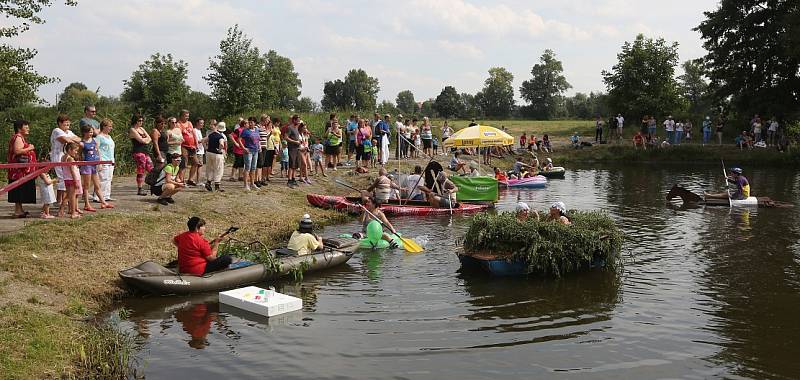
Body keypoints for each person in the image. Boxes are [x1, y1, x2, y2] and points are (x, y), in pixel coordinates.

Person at [7, 120, 37, 218]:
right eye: (26, 127)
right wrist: (30, 148)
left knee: (19, 191)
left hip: (21, 171)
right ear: (20, 128)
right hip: (19, 172)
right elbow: (17, 151)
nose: (28, 129)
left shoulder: (20, 138)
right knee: (19, 190)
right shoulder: (18, 137)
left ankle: (19, 210)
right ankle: (17, 211)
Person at [79, 124, 113, 211]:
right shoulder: (82, 143)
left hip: (94, 164)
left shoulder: (94, 140)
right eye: (89, 132)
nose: (91, 133)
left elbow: (98, 151)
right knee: (86, 186)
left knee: (97, 185)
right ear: (84, 132)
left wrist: (100, 162)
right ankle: (87, 204)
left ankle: (103, 202)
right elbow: (79, 154)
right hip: (86, 165)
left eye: (91, 132)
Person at [50, 114, 81, 207]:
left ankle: (61, 201)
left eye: (68, 121)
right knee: (62, 178)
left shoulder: (69, 132)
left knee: (65, 178)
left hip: (66, 157)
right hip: (58, 157)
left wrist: (70, 139)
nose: (68, 123)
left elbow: (79, 139)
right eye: (65, 122)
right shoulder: (56, 130)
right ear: (60, 123)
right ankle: (62, 202)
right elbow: (65, 140)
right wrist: (71, 139)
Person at [130, 114, 153, 196]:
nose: (141, 122)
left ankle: (151, 184)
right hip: (138, 151)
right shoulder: (132, 129)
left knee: (151, 167)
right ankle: (140, 188)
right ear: (135, 121)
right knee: (141, 170)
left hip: (145, 151)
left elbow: (149, 138)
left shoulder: (141, 129)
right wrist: (145, 140)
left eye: (142, 120)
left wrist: (145, 140)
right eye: (139, 120)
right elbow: (141, 140)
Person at [58, 142, 82, 218]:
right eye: (75, 150)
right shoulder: (70, 159)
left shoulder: (63, 157)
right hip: (72, 179)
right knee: (72, 197)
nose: (76, 152)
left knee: (68, 195)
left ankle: (61, 211)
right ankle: (73, 213)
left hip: (66, 179)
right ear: (69, 150)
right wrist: (75, 181)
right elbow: (72, 171)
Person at [95, 118, 116, 202]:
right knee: (103, 179)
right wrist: (99, 162)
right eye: (109, 126)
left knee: (109, 178)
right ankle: (98, 196)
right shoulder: (99, 137)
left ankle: (106, 195)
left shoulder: (109, 137)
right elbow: (97, 149)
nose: (111, 128)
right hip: (103, 160)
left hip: (110, 160)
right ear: (104, 126)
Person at [204, 121, 227, 192]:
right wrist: (220, 150)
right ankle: (217, 186)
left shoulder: (211, 135)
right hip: (217, 154)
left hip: (209, 153)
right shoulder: (221, 136)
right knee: (218, 169)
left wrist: (206, 148)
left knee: (210, 168)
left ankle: (208, 182)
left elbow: (203, 141)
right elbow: (222, 144)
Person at [176, 110, 197, 185]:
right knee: (184, 163)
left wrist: (196, 143)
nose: (187, 117)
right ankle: (181, 180)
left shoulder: (189, 123)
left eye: (188, 116)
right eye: (186, 116)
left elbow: (193, 133)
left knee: (195, 162)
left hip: (192, 145)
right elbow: (179, 135)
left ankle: (190, 179)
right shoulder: (178, 124)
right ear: (181, 116)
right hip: (184, 146)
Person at [239, 117, 261, 191]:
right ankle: (246, 185)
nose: (250, 124)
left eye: (251, 122)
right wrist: (244, 148)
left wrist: (259, 146)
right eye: (249, 122)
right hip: (248, 151)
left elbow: (258, 140)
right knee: (247, 167)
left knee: (254, 168)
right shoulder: (245, 131)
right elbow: (239, 140)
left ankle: (252, 184)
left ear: (255, 123)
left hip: (256, 151)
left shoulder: (257, 130)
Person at [284, 115, 302, 188]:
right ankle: (289, 181)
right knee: (291, 165)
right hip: (292, 149)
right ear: (294, 120)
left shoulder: (296, 128)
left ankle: (294, 180)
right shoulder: (289, 128)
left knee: (295, 165)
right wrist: (295, 142)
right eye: (297, 120)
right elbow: (286, 137)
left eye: (299, 120)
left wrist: (299, 142)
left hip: (297, 149)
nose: (298, 122)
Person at [192, 118, 205, 185]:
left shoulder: (199, 131)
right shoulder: (195, 130)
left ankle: (197, 180)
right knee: (198, 166)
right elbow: (197, 141)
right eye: (201, 123)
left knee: (199, 166)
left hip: (201, 150)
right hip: (198, 151)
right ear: (197, 123)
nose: (202, 124)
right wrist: (206, 139)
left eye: (203, 123)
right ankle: (197, 181)